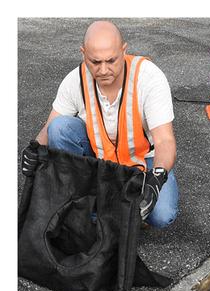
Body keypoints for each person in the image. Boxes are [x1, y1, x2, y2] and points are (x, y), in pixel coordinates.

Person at [21, 20, 178, 228]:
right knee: (60, 128)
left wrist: (156, 180)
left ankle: (115, 210)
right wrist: (34, 150)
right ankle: (80, 201)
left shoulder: (149, 78)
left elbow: (165, 139)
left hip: (143, 161)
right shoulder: (75, 80)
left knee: (161, 214)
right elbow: (50, 127)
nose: (103, 70)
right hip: (99, 157)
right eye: (95, 62)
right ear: (83, 53)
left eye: (111, 60)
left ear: (123, 50)